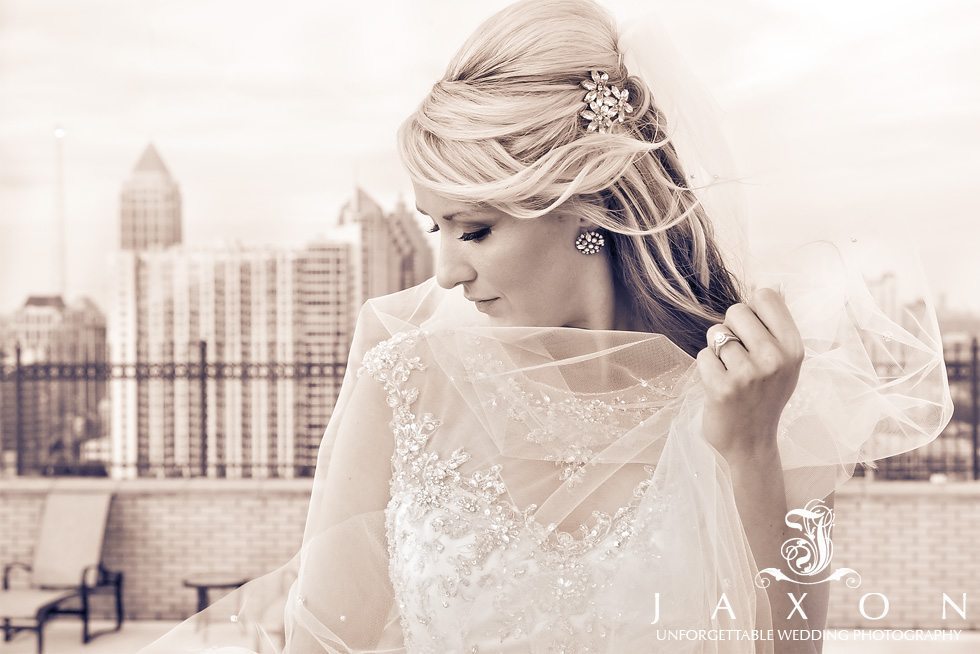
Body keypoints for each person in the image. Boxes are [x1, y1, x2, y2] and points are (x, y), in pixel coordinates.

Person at [139, 0, 953, 652]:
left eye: (477, 229)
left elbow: (789, 652)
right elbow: (322, 643)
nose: (448, 272)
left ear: (591, 205)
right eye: (437, 228)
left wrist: (748, 450)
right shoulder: (405, 377)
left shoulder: (758, 399)